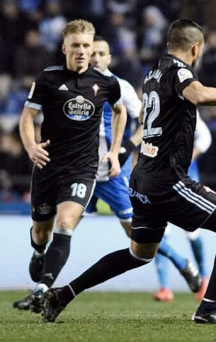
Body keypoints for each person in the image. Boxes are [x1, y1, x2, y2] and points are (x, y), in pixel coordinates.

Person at [42, 19, 216, 325]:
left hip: (142, 178)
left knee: (139, 253)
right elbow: (199, 95)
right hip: (169, 180)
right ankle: (209, 308)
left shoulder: (153, 72)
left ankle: (63, 294)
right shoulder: (180, 71)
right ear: (196, 48)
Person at [13, 19, 127, 312]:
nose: (81, 51)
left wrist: (114, 151)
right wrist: (31, 147)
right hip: (48, 165)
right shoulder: (48, 78)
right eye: (75, 45)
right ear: (64, 48)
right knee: (41, 234)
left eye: (86, 46)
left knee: (66, 224)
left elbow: (120, 111)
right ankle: (39, 253)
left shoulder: (106, 82)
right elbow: (26, 117)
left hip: (82, 168)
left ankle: (43, 288)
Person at [84, 36, 202, 295]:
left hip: (113, 173)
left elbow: (146, 120)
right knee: (61, 224)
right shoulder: (70, 86)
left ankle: (182, 264)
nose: (95, 58)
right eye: (91, 53)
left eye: (101, 53)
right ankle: (41, 286)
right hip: (80, 171)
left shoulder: (120, 87)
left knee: (137, 236)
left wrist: (126, 148)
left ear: (109, 58)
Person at [154, 111, 212, 302]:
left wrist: (188, 156)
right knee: (159, 229)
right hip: (159, 177)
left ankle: (204, 280)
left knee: (191, 229)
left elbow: (205, 137)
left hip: (186, 177)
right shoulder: (153, 108)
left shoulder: (187, 109)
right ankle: (164, 288)